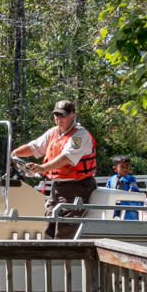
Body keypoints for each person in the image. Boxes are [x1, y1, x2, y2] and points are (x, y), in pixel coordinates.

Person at [11, 99, 97, 240]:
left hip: (77, 188)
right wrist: (14, 153)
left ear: (73, 116)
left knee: (64, 232)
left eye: (63, 115)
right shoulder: (53, 132)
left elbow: (66, 158)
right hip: (57, 187)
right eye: (56, 114)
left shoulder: (80, 135)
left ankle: (64, 260)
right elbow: (34, 147)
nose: (59, 118)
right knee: (47, 228)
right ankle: (48, 260)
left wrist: (42, 168)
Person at [106, 154, 142, 220]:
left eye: (127, 166)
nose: (125, 168)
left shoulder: (131, 179)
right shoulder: (110, 180)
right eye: (122, 166)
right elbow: (107, 193)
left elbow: (133, 192)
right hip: (114, 208)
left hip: (128, 210)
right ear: (115, 168)